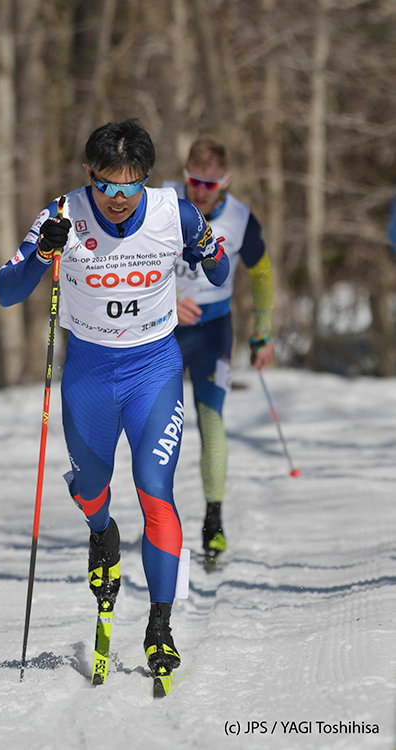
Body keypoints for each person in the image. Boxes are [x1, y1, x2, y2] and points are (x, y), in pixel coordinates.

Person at [0, 120, 229, 680]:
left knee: (155, 491)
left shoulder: (176, 212)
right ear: (88, 176)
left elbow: (219, 273)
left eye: (132, 186)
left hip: (154, 369)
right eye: (108, 186)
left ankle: (159, 626)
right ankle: (103, 534)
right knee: (92, 493)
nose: (120, 200)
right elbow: (6, 291)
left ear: (146, 179)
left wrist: (205, 247)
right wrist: (39, 258)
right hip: (90, 375)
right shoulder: (62, 215)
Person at [163, 137, 274, 562]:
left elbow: (261, 274)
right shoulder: (161, 204)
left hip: (213, 331)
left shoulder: (242, 218)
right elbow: (130, 262)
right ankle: (159, 520)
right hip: (162, 329)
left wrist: (262, 332)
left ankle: (213, 521)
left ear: (225, 182)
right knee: (159, 426)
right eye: (193, 180)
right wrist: (167, 300)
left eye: (210, 184)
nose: (200, 191)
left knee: (212, 418)